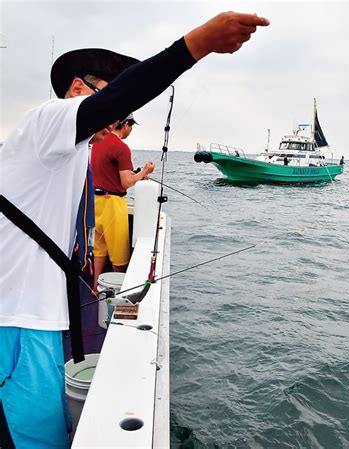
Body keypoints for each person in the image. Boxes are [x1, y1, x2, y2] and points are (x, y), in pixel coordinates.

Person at [0, 12, 270, 449]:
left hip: (31, 313)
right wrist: (197, 44)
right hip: (18, 319)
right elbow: (120, 96)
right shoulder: (51, 118)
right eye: (113, 101)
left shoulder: (62, 148)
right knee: (38, 437)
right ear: (76, 88)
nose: (118, 117)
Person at [91, 113, 155, 290]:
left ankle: (95, 286)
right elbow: (126, 183)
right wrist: (144, 171)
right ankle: (120, 290)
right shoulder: (122, 148)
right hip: (113, 204)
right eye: (131, 127)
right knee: (119, 254)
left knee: (99, 249)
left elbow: (112, 175)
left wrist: (137, 174)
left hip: (95, 201)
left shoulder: (97, 143)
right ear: (126, 125)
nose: (131, 131)